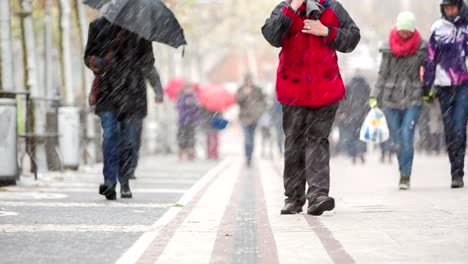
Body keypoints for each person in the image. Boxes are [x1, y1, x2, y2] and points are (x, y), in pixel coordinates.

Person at [262, 0, 360, 215]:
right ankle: (294, 198)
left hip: (325, 89)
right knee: (294, 142)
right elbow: (271, 36)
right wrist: (292, 9)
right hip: (292, 90)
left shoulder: (332, 8)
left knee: (317, 140)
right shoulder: (285, 8)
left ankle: (317, 196)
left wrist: (326, 31)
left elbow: (353, 38)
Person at [85, 18, 160, 200]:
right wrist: (103, 59)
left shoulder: (141, 29)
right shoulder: (97, 26)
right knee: (110, 135)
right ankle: (110, 181)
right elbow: (88, 57)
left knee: (128, 140)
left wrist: (156, 87)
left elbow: (148, 62)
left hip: (132, 92)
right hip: (107, 91)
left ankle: (124, 180)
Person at [369, 11, 427, 190]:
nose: (404, 34)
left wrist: (429, 90)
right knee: (395, 139)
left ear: (412, 30)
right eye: (402, 31)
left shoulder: (421, 48)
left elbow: (429, 72)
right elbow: (382, 74)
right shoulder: (388, 49)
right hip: (390, 99)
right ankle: (403, 168)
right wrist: (374, 96)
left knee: (406, 136)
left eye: (407, 31)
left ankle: (405, 175)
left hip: (413, 97)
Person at [423, 0, 468, 188]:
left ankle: (459, 171)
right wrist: (427, 85)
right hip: (443, 86)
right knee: (449, 130)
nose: (450, 11)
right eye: (447, 7)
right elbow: (430, 58)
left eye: (453, 7)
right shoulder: (438, 28)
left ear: (460, 7)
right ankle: (453, 169)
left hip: (464, 84)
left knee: (459, 127)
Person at [337, 74, 370, 164]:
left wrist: (342, 112)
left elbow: (343, 100)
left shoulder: (348, 86)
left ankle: (353, 154)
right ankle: (361, 152)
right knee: (361, 135)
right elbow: (368, 101)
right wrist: (367, 111)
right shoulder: (365, 86)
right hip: (361, 115)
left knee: (351, 135)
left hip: (350, 114)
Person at [235, 74, 267, 167]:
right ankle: (247, 156)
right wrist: (244, 94)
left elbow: (263, 102)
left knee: (252, 138)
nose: (249, 81)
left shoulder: (257, 89)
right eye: (247, 80)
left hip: (254, 117)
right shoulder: (241, 89)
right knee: (247, 138)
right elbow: (237, 100)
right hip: (244, 117)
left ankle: (250, 155)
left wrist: (259, 111)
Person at [176, 84, 200, 161]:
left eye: (190, 89)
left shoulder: (194, 97)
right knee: (182, 137)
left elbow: (197, 108)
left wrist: (193, 105)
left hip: (191, 121)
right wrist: (184, 103)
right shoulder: (181, 97)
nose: (188, 90)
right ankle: (181, 153)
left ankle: (191, 154)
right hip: (182, 121)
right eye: (187, 89)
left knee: (191, 138)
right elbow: (178, 106)